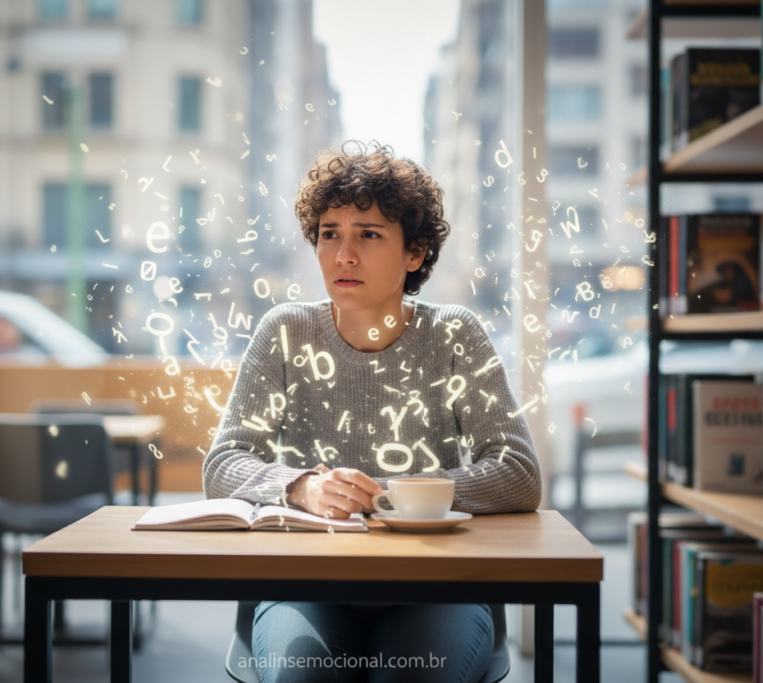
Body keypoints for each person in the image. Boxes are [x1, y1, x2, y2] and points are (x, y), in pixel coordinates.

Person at [203, 141, 541, 683]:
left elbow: (519, 474)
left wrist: (386, 493)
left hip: (436, 589)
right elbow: (222, 464)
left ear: (415, 253)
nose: (343, 255)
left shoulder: (455, 335)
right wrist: (305, 487)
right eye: (329, 233)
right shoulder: (285, 332)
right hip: (305, 588)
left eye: (369, 234)